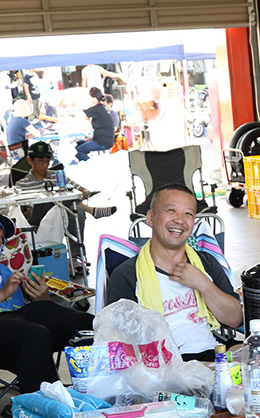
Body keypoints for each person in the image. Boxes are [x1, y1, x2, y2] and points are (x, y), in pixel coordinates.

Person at [106, 182, 243, 361]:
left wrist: (203, 284)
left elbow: (235, 320)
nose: (180, 220)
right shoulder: (127, 275)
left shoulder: (205, 263)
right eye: (171, 210)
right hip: (162, 364)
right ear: (151, 217)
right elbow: (121, 346)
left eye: (188, 214)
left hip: (213, 353)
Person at [0, 215, 94, 399]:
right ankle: (45, 409)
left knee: (85, 323)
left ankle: (101, 396)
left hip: (13, 322)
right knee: (34, 335)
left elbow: (23, 314)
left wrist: (41, 298)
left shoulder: (4, 271)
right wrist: (2, 294)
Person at [16, 141, 117, 268]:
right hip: (38, 219)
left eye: (48, 161)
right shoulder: (21, 184)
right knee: (48, 200)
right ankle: (91, 210)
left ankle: (75, 257)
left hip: (62, 215)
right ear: (30, 160)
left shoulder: (57, 176)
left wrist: (70, 194)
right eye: (40, 161)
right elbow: (21, 214)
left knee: (77, 210)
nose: (45, 164)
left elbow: (82, 191)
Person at [75, 88, 115, 162]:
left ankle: (91, 164)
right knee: (78, 144)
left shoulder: (97, 108)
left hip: (102, 141)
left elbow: (81, 113)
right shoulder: (102, 107)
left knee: (76, 151)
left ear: (93, 98)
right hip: (105, 139)